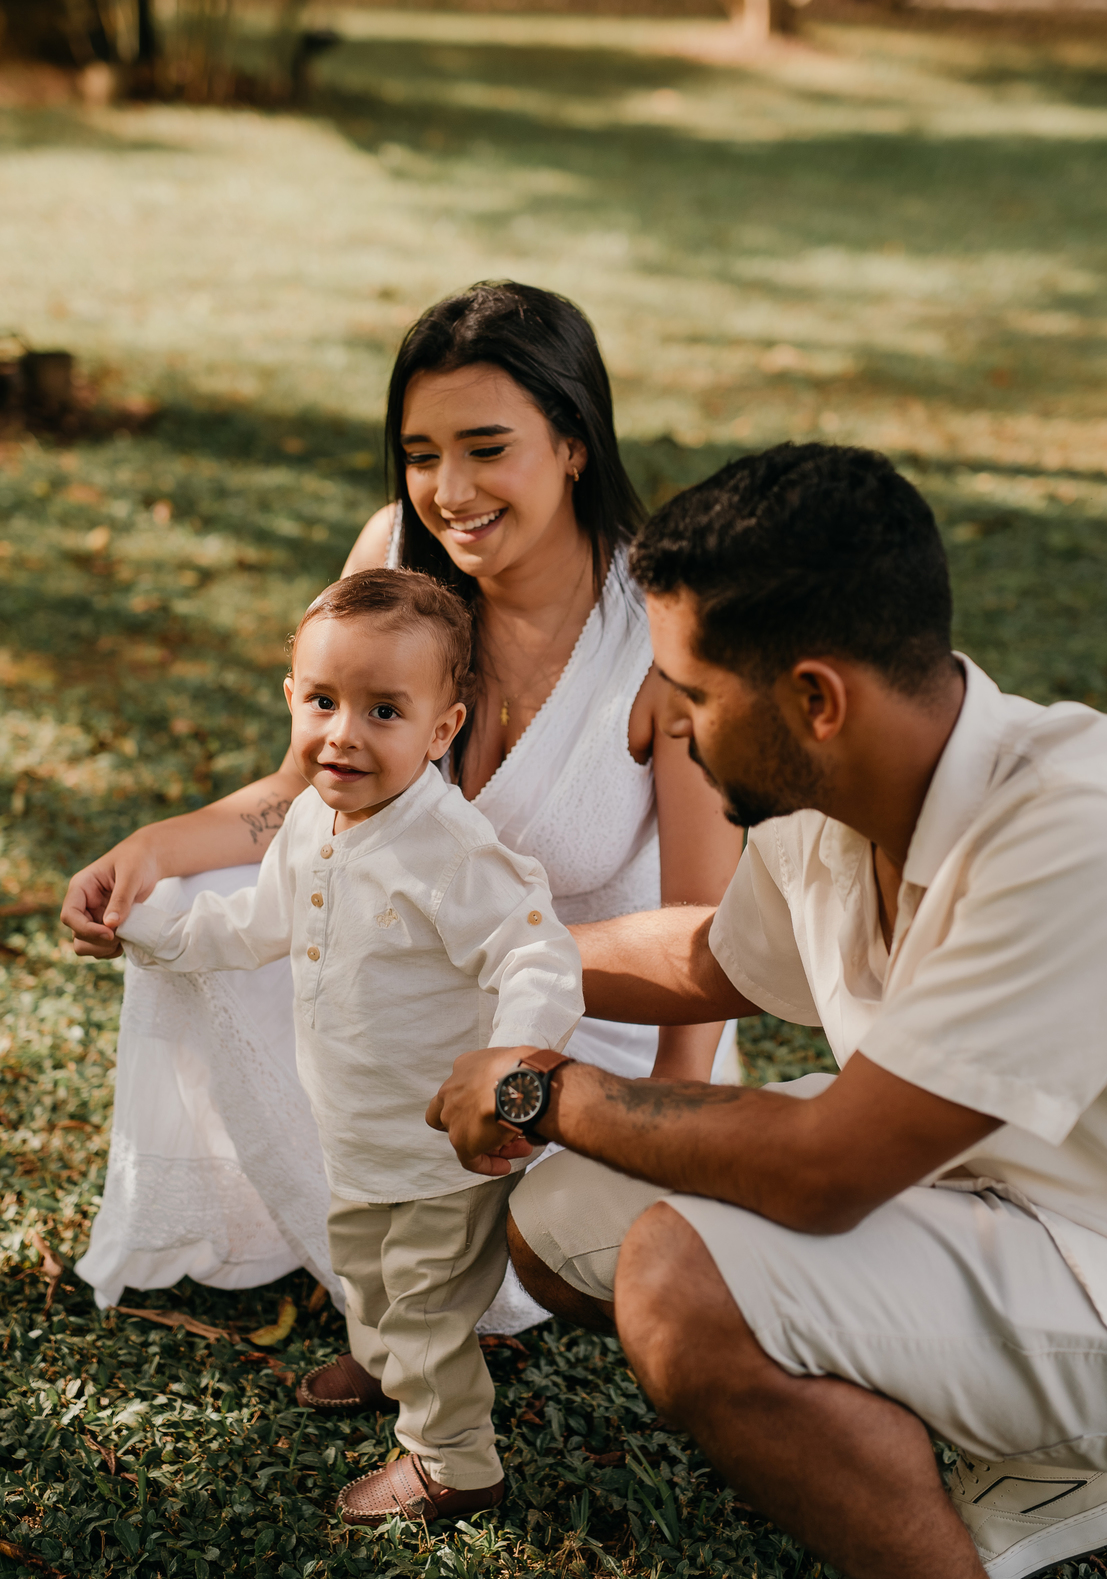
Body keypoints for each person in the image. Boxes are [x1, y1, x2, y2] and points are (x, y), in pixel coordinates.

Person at [429, 442, 1107, 1579]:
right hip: (987, 1200)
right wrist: (496, 956)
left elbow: (827, 1171)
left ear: (815, 698)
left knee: (679, 1281)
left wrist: (549, 1090)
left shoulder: (1089, 826)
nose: (666, 724)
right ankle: (1062, 1464)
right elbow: (715, 960)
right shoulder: (827, 788)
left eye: (688, 693)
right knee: (559, 1219)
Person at [60, 280, 741, 1337]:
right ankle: (339, 1246)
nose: (449, 491)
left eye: (486, 448)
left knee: (521, 1252)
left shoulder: (666, 630)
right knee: (190, 901)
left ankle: (446, 1272)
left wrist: (667, 1131)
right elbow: (302, 792)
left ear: (573, 444)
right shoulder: (392, 554)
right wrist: (151, 849)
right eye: (422, 455)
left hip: (573, 1017)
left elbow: (706, 935)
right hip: (401, 982)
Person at [112, 568, 583, 1524]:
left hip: (443, 1150)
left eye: (384, 711)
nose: (343, 734)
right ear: (291, 697)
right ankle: (380, 1361)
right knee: (363, 1270)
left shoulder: (449, 849)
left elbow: (536, 953)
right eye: (323, 701)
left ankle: (455, 1464)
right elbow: (255, 923)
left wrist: (512, 1064)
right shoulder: (313, 822)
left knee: (423, 1305)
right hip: (357, 1132)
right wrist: (150, 929)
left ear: (442, 729)